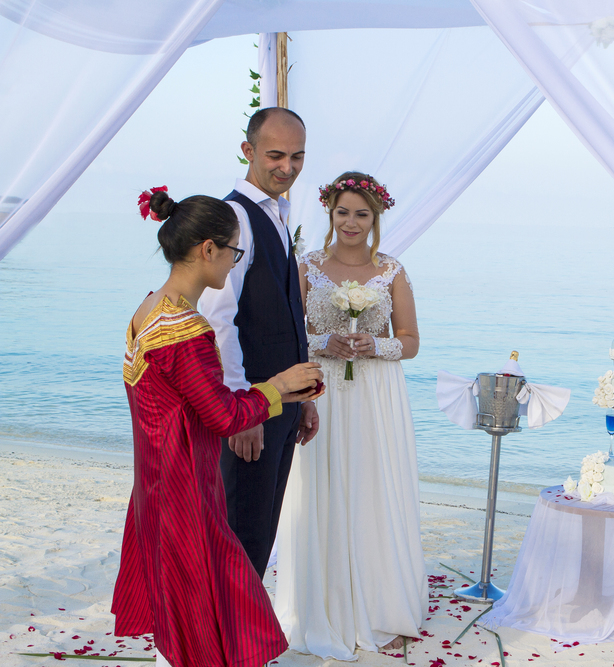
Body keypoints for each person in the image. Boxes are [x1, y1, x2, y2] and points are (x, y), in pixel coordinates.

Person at [112, 188, 324, 667]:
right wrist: (278, 385)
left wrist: (282, 393)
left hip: (156, 486)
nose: (234, 263)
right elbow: (223, 417)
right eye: (234, 252)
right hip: (185, 492)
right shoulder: (184, 331)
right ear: (208, 249)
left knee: (194, 610)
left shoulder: (150, 309)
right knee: (207, 614)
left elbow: (195, 402)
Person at [275, 171, 427, 660]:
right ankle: (322, 602)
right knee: (321, 487)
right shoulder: (307, 266)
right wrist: (325, 341)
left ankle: (379, 602)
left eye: (362, 214)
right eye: (343, 212)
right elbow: (289, 332)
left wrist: (374, 345)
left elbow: (410, 341)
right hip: (322, 390)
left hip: (377, 395)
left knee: (372, 487)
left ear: (375, 218)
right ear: (331, 213)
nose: (351, 222)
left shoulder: (392, 270)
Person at [199, 106, 317, 578]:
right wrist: (239, 407)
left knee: (261, 534)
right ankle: (224, 625)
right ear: (248, 150)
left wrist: (304, 397)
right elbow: (218, 318)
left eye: (297, 156)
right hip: (251, 407)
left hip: (281, 404)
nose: (287, 167)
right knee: (241, 535)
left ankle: (241, 621)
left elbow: (284, 311)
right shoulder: (234, 216)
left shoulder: (278, 214)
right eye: (275, 155)